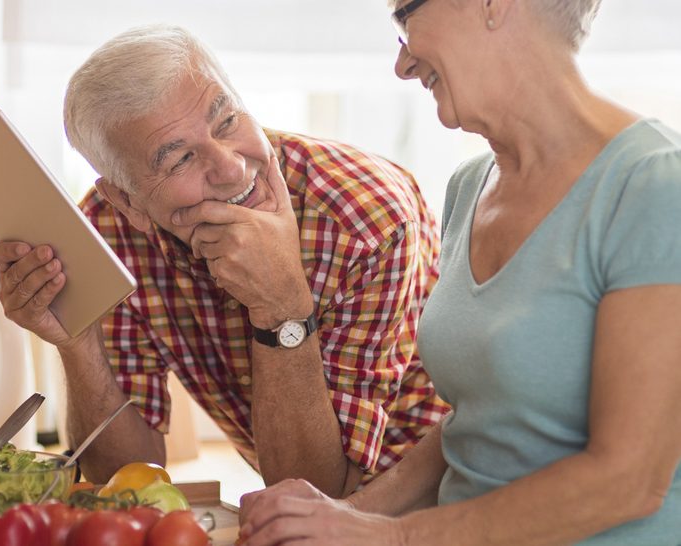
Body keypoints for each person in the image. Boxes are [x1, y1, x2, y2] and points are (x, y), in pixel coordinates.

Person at [238, 0, 681, 544]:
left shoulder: (655, 185)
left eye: (406, 16)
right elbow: (478, 425)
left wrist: (392, 539)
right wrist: (348, 515)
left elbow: (627, 481)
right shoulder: (469, 186)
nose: (402, 65)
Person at [0, 24, 446, 497]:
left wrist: (282, 304)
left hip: (442, 497)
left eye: (226, 121)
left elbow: (321, 491)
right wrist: (78, 341)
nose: (231, 168)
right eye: (180, 159)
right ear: (127, 202)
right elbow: (125, 480)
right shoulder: (109, 231)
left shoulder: (368, 222)